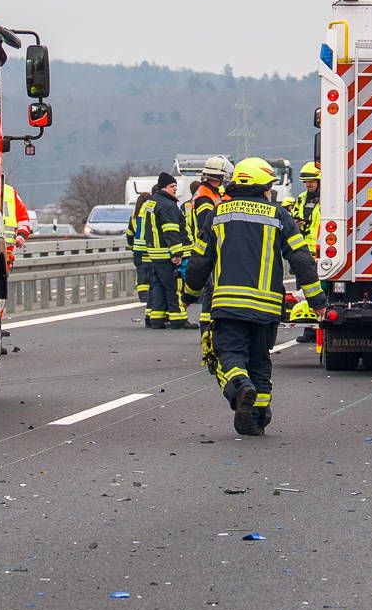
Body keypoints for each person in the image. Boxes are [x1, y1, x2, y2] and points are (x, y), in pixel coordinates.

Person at [181, 157, 320, 435]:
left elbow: (199, 260)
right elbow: (302, 258)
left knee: (229, 355)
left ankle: (240, 388)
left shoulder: (217, 215)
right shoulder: (278, 215)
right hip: (267, 308)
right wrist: (317, 301)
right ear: (262, 187)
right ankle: (258, 418)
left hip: (228, 306)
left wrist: (189, 294)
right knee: (260, 359)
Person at [129, 173, 185, 328]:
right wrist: (177, 253)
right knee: (171, 287)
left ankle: (156, 319)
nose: (175, 189)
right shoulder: (167, 205)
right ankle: (177, 320)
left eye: (175, 186)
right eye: (172, 187)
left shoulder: (150, 203)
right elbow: (170, 230)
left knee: (158, 287)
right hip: (165, 253)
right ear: (164, 187)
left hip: (152, 252)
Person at [179, 160, 227, 322]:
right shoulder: (205, 197)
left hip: (208, 247)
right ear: (218, 176)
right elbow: (207, 225)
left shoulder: (210, 193)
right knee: (211, 289)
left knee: (212, 289)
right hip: (208, 248)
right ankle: (207, 326)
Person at [286, 160, 326, 325]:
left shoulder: (328, 200)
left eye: (312, 181)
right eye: (306, 182)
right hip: (302, 252)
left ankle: (317, 325)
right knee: (302, 292)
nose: (308, 185)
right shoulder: (301, 199)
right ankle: (308, 327)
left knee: (317, 291)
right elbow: (292, 219)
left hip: (321, 252)